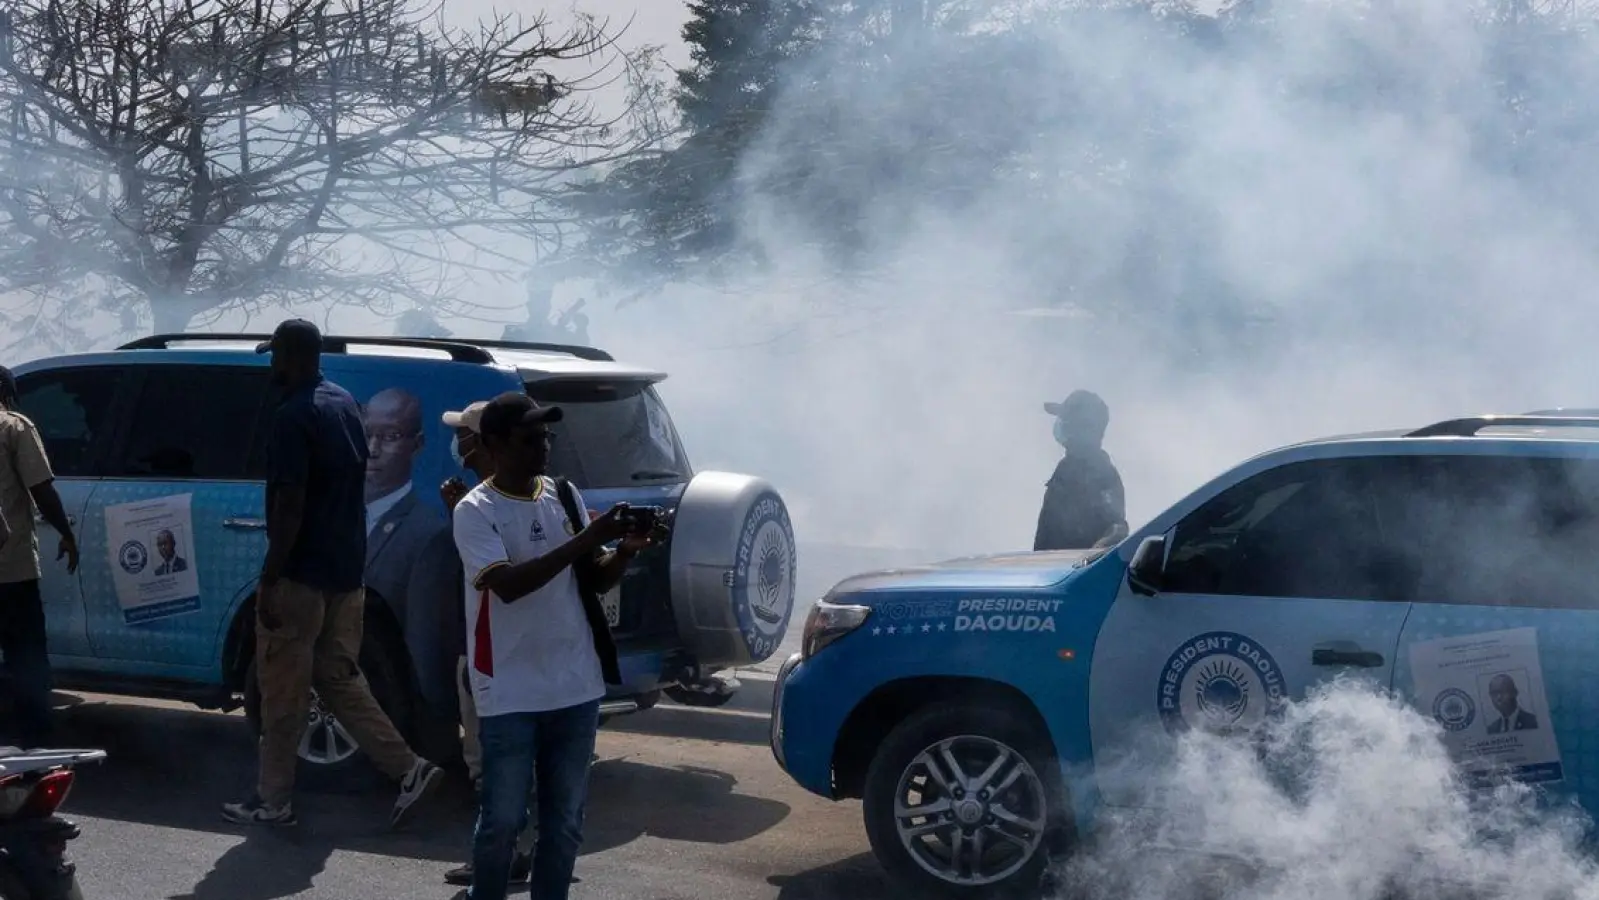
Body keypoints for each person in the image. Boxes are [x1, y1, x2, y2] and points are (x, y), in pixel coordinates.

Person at [222, 318, 444, 828]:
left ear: (290, 355)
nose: (272, 365)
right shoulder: (345, 404)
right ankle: (409, 769)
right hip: (347, 573)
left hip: (301, 574)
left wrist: (271, 576)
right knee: (340, 679)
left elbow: (290, 502)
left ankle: (272, 801)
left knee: (281, 692)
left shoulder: (292, 416)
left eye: (275, 355)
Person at [454, 390, 664, 900]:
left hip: (574, 685)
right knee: (503, 821)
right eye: (530, 439)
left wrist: (626, 552)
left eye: (546, 437)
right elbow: (508, 586)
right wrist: (591, 539)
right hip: (508, 688)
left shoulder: (563, 495)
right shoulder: (474, 510)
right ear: (496, 445)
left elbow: (591, 580)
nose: (543, 448)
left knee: (565, 824)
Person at [440, 399, 537, 889]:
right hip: (513, 652)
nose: (455, 442)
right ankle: (515, 850)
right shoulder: (497, 497)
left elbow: (498, 578)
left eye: (462, 433)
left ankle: (497, 859)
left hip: (489, 654)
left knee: (488, 761)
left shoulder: (482, 504)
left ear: (481, 442)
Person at [0, 366, 79, 748]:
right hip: (10, 569)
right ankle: (31, 740)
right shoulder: (14, 427)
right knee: (25, 654)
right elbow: (42, 490)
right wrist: (65, 531)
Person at [1034, 389, 1129, 552]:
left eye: (1068, 421)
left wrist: (1091, 557)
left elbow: (1117, 527)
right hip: (1053, 572)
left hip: (1075, 573)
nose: (1062, 426)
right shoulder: (1067, 467)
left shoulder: (1102, 473)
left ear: (1084, 429)